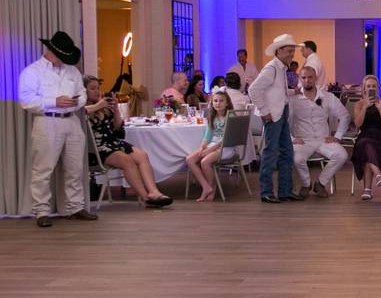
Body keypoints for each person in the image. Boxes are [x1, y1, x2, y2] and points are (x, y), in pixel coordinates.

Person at [18, 31, 98, 227]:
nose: (64, 60)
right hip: (47, 121)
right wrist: (54, 101)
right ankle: (41, 211)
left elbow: (82, 93)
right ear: (50, 51)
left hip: (71, 121)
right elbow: (26, 100)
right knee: (43, 169)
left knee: (75, 168)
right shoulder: (32, 71)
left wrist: (76, 101)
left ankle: (75, 207)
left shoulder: (72, 71)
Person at [83, 76, 173, 208]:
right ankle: (146, 197)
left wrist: (116, 111)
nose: (97, 91)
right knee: (127, 160)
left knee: (142, 156)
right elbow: (82, 112)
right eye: (92, 88)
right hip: (96, 149)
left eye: (98, 88)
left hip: (112, 143)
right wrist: (98, 106)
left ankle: (154, 192)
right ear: (83, 90)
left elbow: (118, 130)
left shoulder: (102, 105)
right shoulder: (82, 108)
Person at [249, 34, 303, 203]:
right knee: (270, 153)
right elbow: (253, 90)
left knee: (287, 152)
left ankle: (284, 191)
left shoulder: (279, 68)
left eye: (293, 51)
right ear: (278, 51)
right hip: (273, 116)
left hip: (281, 113)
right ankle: (266, 192)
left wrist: (293, 92)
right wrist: (264, 110)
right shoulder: (271, 68)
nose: (291, 54)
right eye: (289, 51)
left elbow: (276, 91)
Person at [289, 66, 350, 198]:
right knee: (297, 158)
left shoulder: (327, 97)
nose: (307, 80)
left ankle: (320, 183)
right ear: (300, 79)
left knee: (342, 155)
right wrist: (291, 138)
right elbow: (284, 122)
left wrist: (338, 136)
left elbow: (345, 115)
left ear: (315, 78)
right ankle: (306, 184)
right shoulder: (293, 99)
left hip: (323, 139)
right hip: (303, 140)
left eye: (310, 77)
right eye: (304, 78)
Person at [183, 89, 235, 202]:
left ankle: (213, 186)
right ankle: (206, 187)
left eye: (221, 101)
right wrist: (202, 148)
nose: (218, 103)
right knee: (189, 159)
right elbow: (207, 136)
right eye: (215, 101)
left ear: (227, 103)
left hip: (225, 147)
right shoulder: (212, 116)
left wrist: (210, 149)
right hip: (212, 145)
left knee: (204, 161)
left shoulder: (231, 116)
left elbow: (226, 139)